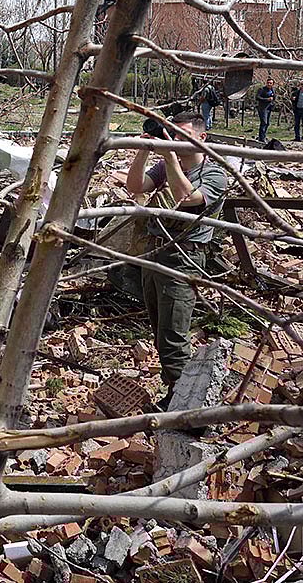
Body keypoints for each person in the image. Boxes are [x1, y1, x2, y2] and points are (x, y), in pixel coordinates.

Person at [124, 112, 228, 409]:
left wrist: (169, 158)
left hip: (184, 257)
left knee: (173, 336)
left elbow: (187, 197)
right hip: (155, 252)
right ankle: (176, 393)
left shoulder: (214, 172)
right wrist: (144, 152)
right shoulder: (168, 165)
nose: (177, 140)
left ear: (202, 138)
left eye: (182, 134)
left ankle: (186, 406)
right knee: (160, 331)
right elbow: (135, 186)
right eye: (173, 133)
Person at [255, 76, 276, 142]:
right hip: (262, 108)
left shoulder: (273, 90)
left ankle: (264, 136)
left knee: (267, 123)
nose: (269, 84)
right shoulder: (262, 89)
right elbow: (257, 97)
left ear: (273, 84)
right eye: (268, 83)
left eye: (270, 83)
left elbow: (274, 98)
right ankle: (261, 137)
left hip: (269, 108)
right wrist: (267, 99)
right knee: (264, 122)